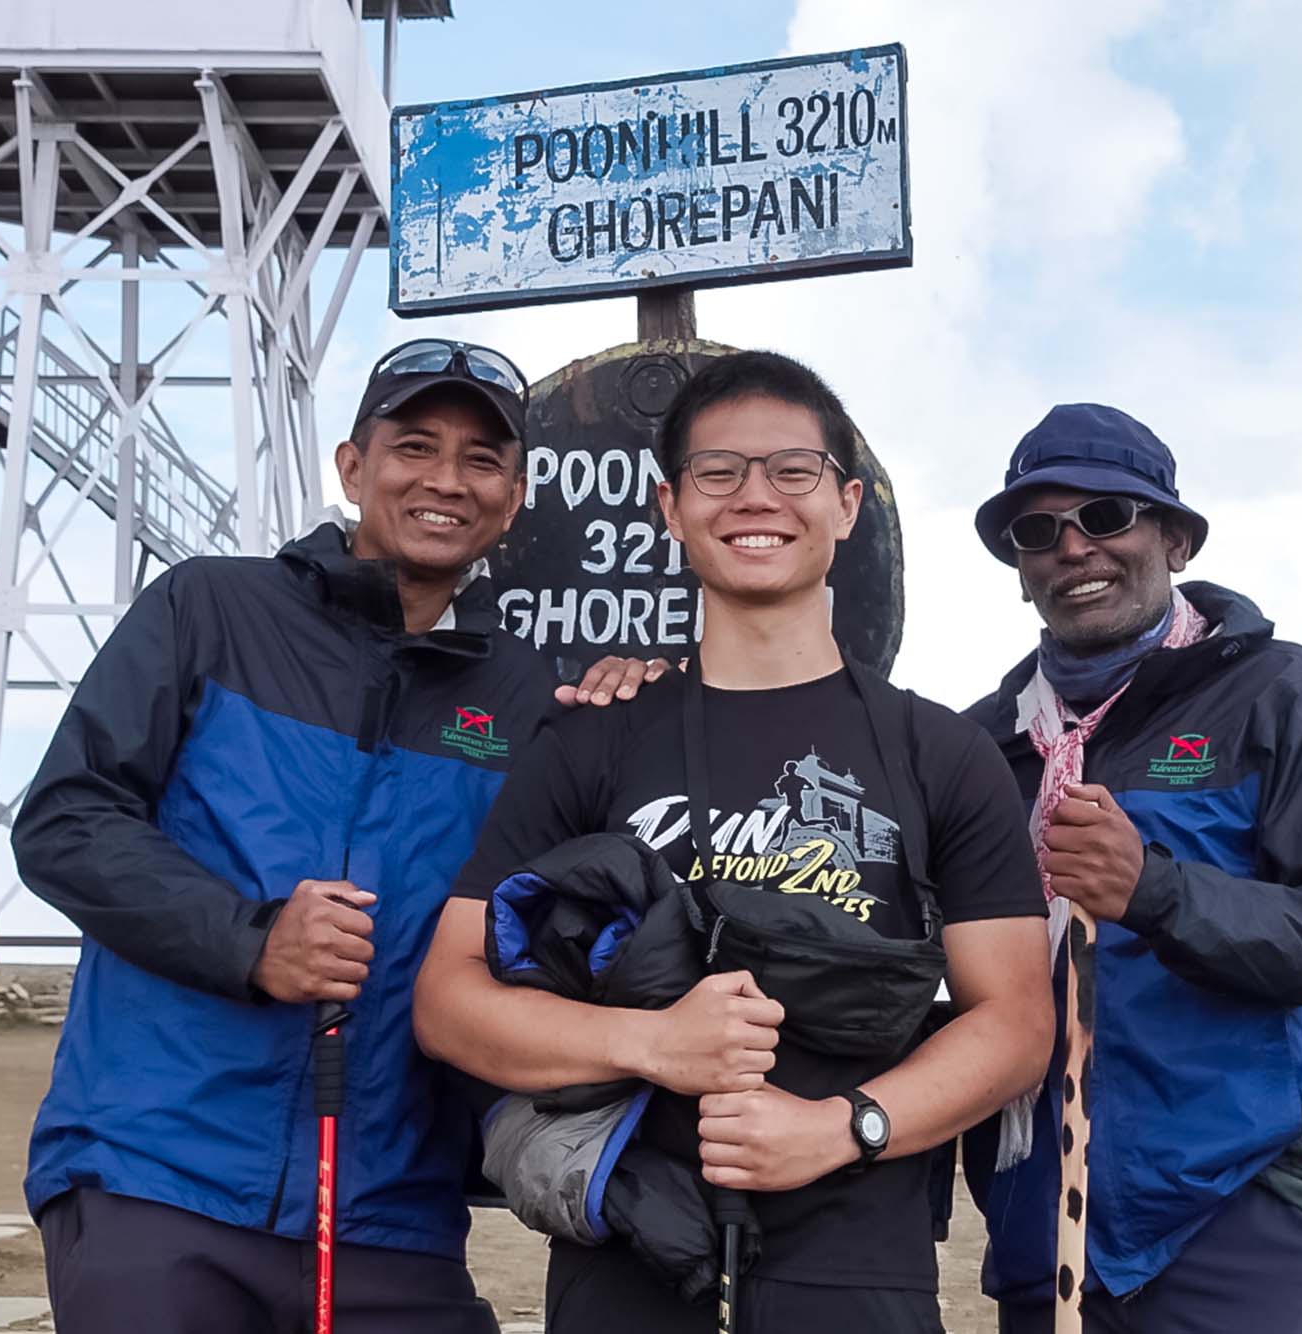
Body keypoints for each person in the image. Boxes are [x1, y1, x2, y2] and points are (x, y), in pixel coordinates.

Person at [12, 339, 654, 1333]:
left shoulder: (531, 693)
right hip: (157, 1178)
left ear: (514, 493)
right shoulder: (209, 606)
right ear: (353, 467)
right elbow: (65, 817)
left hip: (394, 1213)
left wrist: (642, 709)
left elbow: (561, 913)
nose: (446, 479)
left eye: (481, 457)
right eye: (414, 446)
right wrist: (249, 938)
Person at [413, 351, 1053, 1333]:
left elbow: (1012, 1021)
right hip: (626, 1262)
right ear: (670, 508)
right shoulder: (592, 734)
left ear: (844, 504)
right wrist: (651, 1042)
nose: (755, 496)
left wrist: (840, 1127)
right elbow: (449, 999)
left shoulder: (942, 754)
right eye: (718, 473)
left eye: (790, 470)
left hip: (859, 1277)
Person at [960, 404, 1302, 1334]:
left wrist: (1153, 891)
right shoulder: (978, 749)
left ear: (1177, 538)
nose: (1072, 548)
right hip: (1045, 1226)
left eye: (1107, 517)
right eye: (1038, 533)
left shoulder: (1284, 693)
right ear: (1019, 570)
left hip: (1250, 1218)